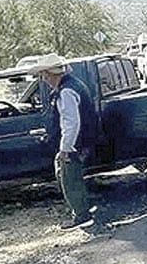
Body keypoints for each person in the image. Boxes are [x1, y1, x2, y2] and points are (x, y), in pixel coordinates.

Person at [29, 54, 97, 231]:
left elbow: (71, 122)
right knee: (69, 176)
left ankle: (81, 215)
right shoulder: (73, 83)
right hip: (82, 140)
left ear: (52, 74)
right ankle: (83, 210)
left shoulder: (66, 91)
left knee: (69, 178)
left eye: (44, 75)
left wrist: (65, 148)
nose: (44, 80)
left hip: (76, 143)